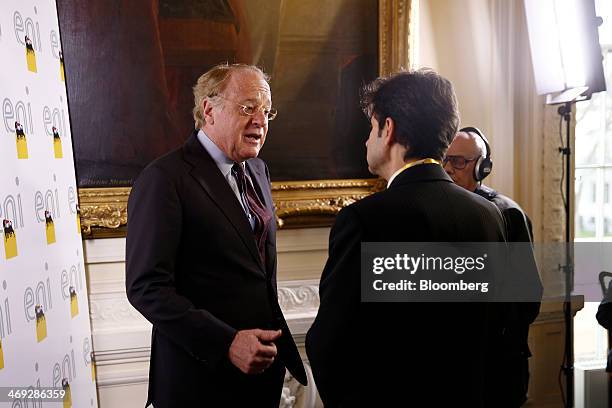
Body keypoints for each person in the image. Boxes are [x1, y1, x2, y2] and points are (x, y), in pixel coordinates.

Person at [305, 69, 507, 407]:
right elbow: (500, 329)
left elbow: (330, 342)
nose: (367, 140)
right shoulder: (489, 215)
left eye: (371, 127)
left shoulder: (364, 220)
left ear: (388, 129)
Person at [126, 63, 306, 407]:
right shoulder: (164, 179)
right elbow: (146, 287)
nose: (260, 120)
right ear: (209, 110)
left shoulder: (257, 168)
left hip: (260, 375)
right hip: (199, 380)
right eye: (248, 107)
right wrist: (226, 342)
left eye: (266, 111)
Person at [444, 127, 542, 406]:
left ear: (482, 167)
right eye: (445, 160)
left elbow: (527, 297)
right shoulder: (443, 209)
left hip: (498, 363)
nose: (449, 169)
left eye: (459, 162)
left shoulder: (508, 213)